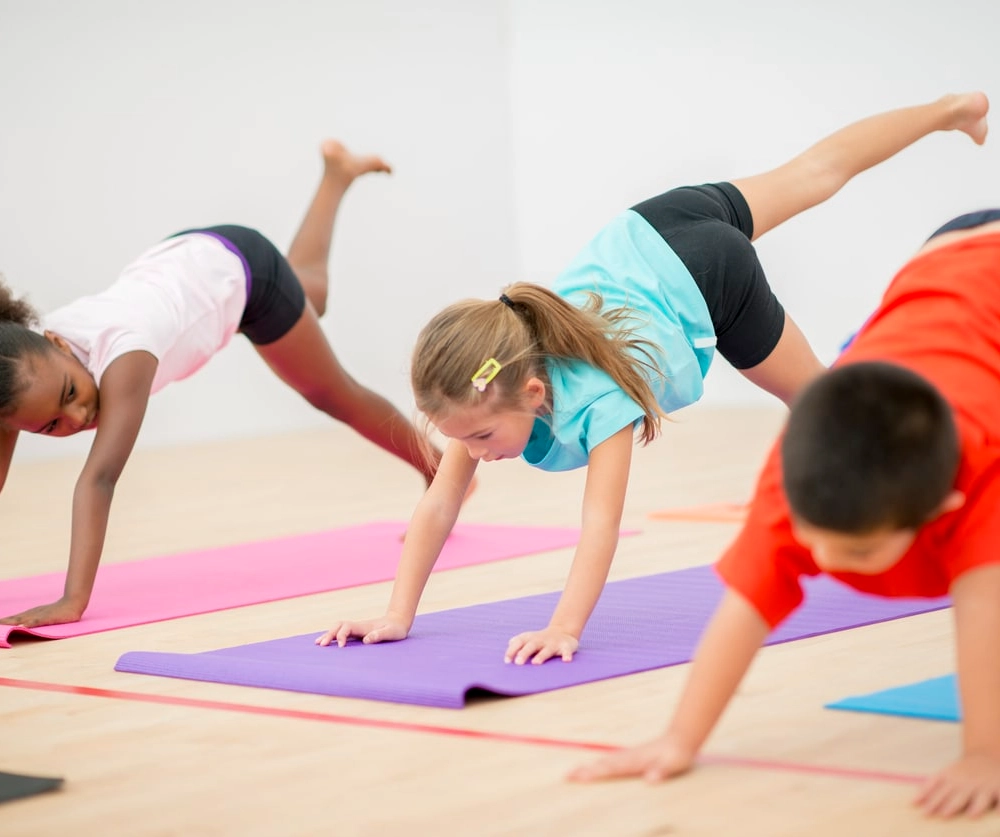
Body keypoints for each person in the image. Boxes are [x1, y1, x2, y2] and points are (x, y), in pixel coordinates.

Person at [318, 92, 990, 666]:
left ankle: (891, 372)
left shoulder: (596, 400)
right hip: (648, 229)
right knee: (814, 172)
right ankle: (950, 109)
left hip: (708, 274)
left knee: (823, 403)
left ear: (531, 392)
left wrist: (565, 627)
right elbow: (439, 504)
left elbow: (600, 523)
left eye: (483, 436)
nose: (476, 451)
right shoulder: (484, 391)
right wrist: (396, 612)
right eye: (463, 439)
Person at [569, 207, 1000, 819]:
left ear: (944, 508)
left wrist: (986, 754)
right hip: (943, 262)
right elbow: (743, 610)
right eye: (813, 540)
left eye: (855, 552)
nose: (823, 563)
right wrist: (679, 740)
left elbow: (985, 612)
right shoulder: (799, 477)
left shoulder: (981, 478)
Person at [0, 141, 445, 630]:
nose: (79, 417)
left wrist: (72, 600)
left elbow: (99, 479)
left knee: (332, 392)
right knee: (310, 294)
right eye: (50, 426)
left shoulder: (125, 354)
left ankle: (439, 468)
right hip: (189, 259)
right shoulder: (23, 379)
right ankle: (336, 176)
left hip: (242, 272)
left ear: (61, 344)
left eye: (70, 395)